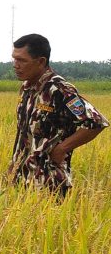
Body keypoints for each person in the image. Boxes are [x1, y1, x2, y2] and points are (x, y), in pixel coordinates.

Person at [9, 33, 107, 196]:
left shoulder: (60, 90)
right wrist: (13, 165)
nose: (15, 65)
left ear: (41, 61)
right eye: (14, 59)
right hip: (22, 181)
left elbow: (95, 122)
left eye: (22, 60)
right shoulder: (27, 89)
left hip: (50, 183)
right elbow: (23, 132)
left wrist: (62, 148)